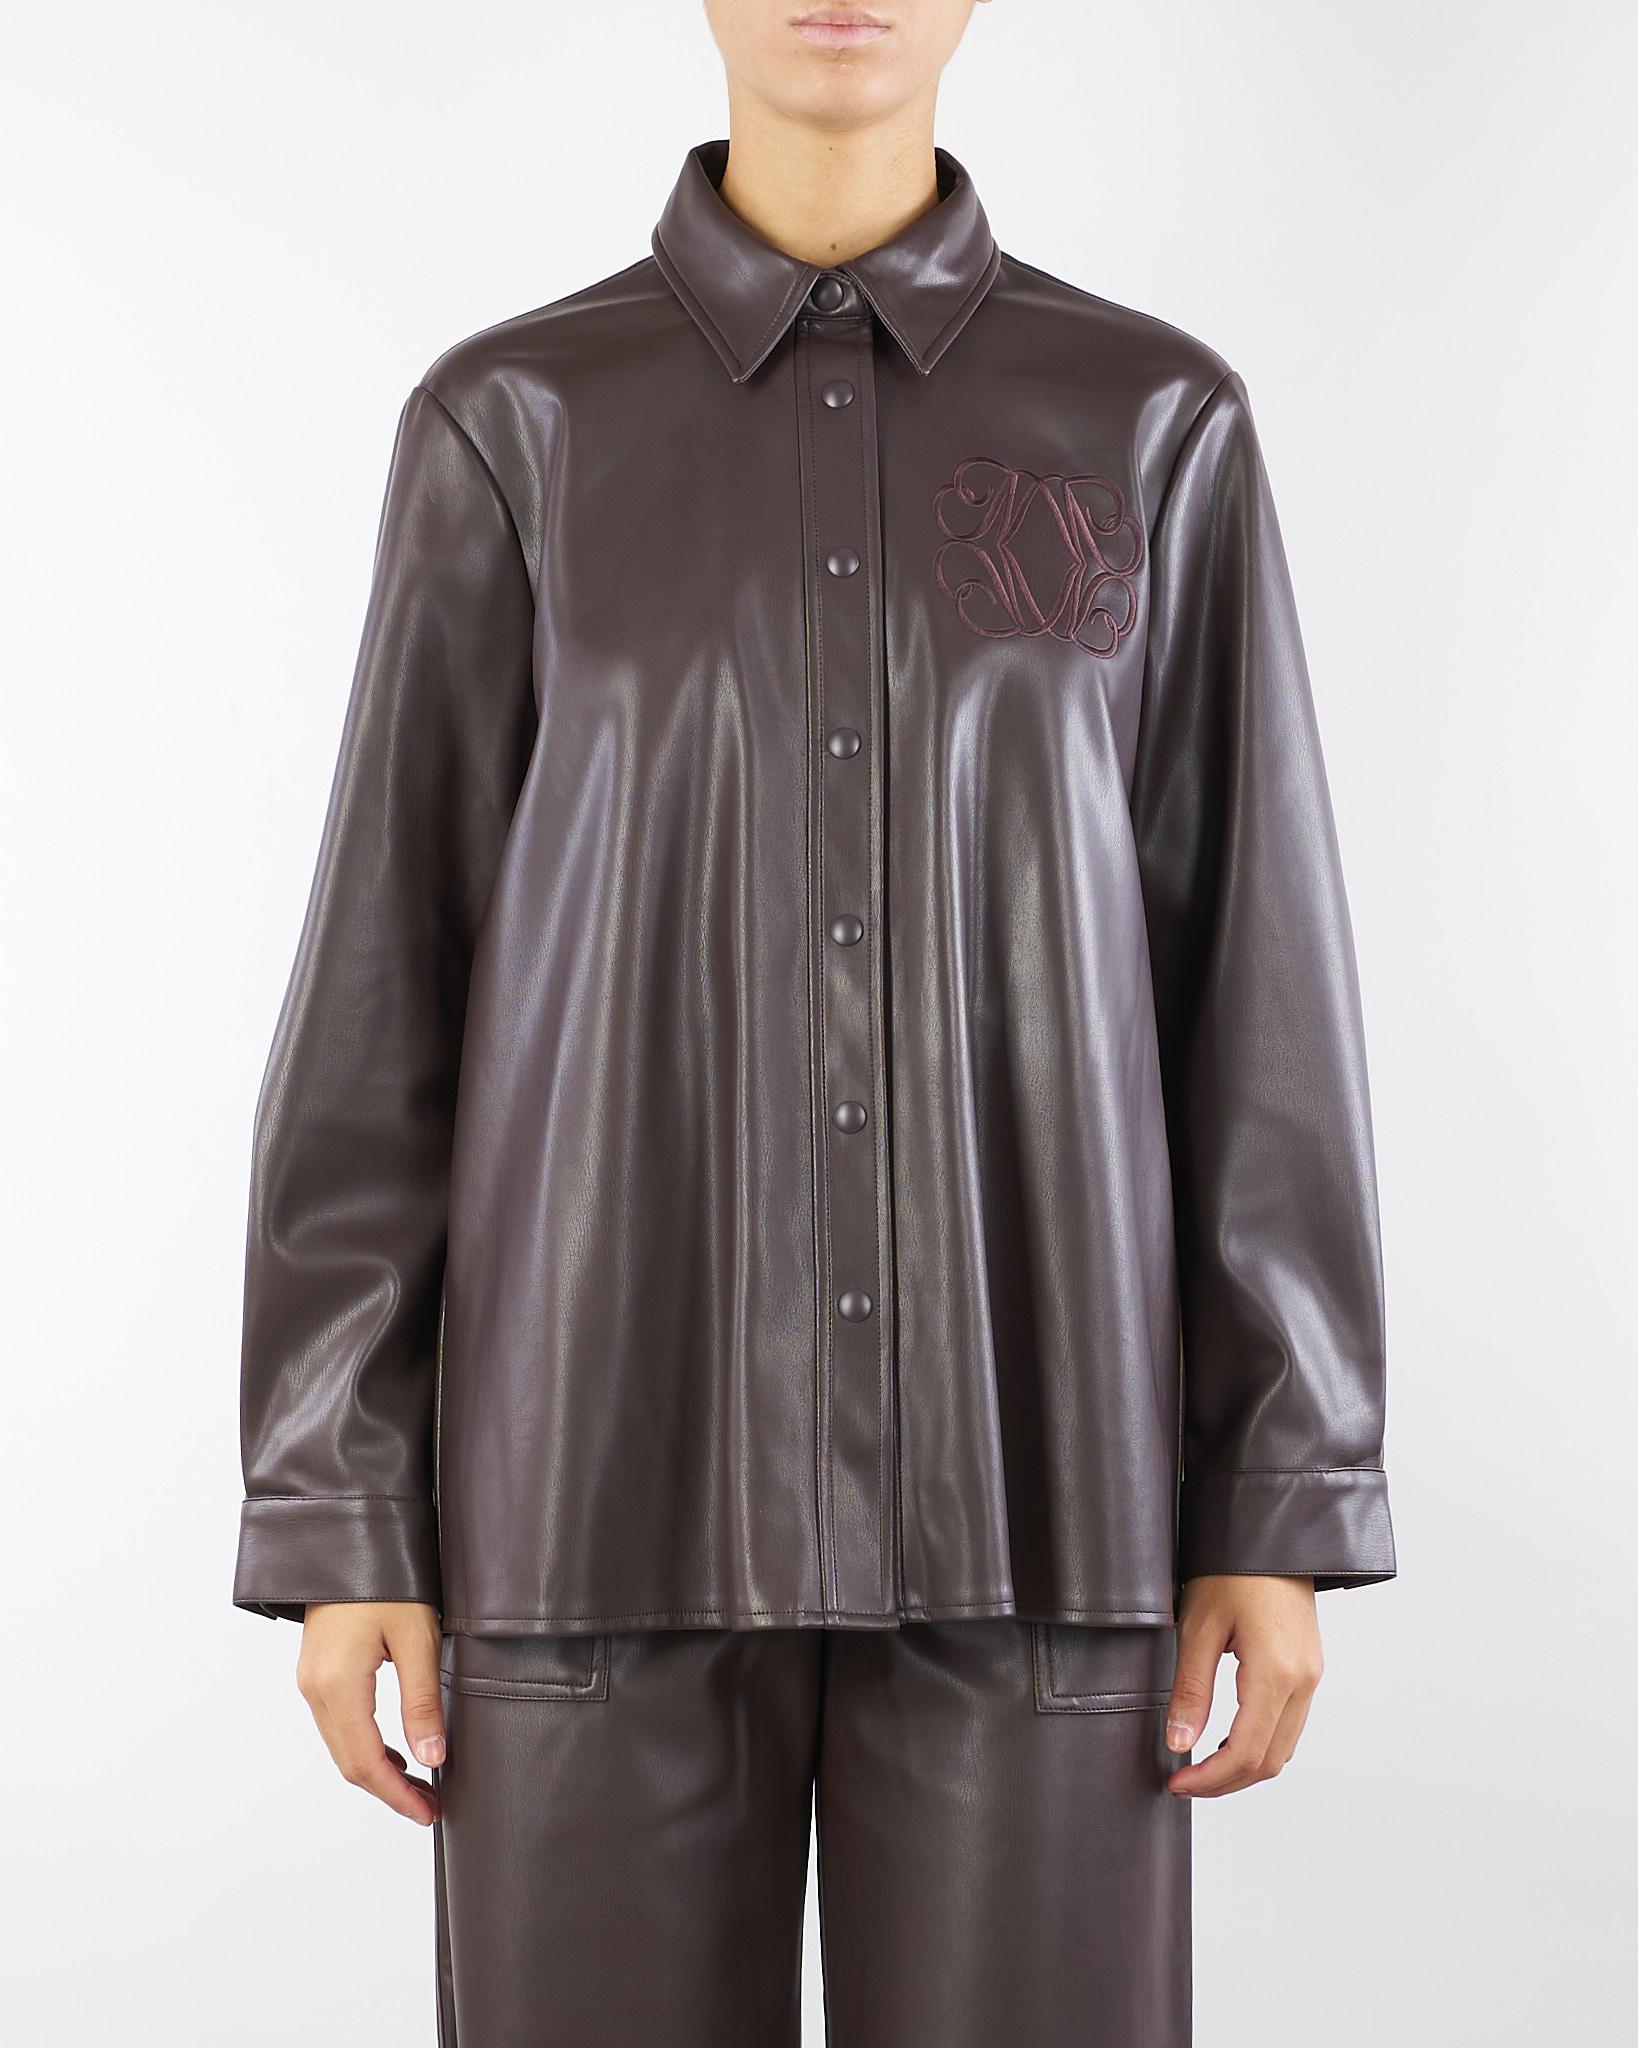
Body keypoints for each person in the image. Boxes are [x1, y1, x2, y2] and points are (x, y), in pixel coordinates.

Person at [233, 2, 1395, 2040]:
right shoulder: (513, 425)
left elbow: (1255, 987)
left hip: (1042, 1507)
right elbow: (385, 989)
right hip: (584, 1508)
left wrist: (1282, 1496)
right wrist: (342, 1507)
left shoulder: (1155, 423)